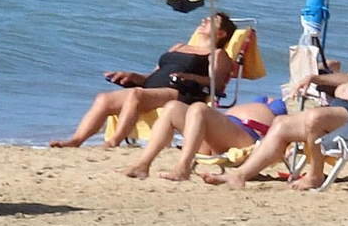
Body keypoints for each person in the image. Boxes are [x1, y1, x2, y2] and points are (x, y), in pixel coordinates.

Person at [202, 8, 348, 190]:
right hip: (345, 110)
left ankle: (315, 175)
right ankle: (239, 176)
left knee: (314, 119)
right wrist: (314, 78)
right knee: (281, 124)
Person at [51, 13, 237, 148]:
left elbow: (215, 84)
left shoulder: (218, 54)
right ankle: (76, 141)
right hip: (151, 88)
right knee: (104, 99)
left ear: (221, 34)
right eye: (205, 18)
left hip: (180, 92)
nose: (204, 20)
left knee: (135, 94)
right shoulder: (179, 46)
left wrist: (189, 77)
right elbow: (155, 74)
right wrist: (133, 76)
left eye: (213, 21)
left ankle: (114, 141)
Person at [119, 98, 280, 180]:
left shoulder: (279, 108)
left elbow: (282, 134)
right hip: (216, 134)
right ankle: (143, 165)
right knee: (172, 106)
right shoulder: (259, 102)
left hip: (246, 137)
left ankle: (183, 167)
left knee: (199, 109)